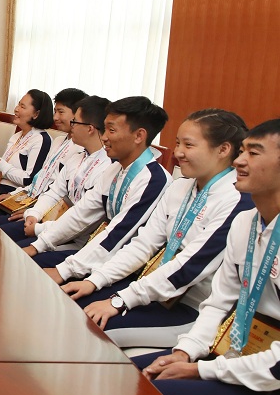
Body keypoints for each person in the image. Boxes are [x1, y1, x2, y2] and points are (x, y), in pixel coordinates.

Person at [138, 118, 280, 395]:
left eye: (254, 153)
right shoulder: (246, 222)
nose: (239, 161)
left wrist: (201, 370)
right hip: (239, 352)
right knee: (131, 373)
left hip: (273, 377)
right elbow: (219, 303)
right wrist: (185, 352)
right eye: (242, 151)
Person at [65, 110, 252, 348]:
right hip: (156, 290)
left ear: (223, 149)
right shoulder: (179, 188)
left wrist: (120, 301)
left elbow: (188, 267)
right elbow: (144, 243)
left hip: (194, 308)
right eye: (178, 143)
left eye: (188, 145)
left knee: (94, 330)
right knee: (73, 302)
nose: (179, 152)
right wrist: (96, 280)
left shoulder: (237, 201)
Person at [25, 96, 171, 274]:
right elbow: (81, 213)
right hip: (97, 253)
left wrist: (64, 271)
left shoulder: (153, 179)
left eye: (111, 130)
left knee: (32, 268)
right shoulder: (115, 169)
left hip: (120, 266)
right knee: (25, 255)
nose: (104, 137)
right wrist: (39, 245)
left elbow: (118, 233)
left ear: (139, 136)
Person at [1, 95, 111, 243]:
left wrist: (39, 228)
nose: (72, 126)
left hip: (73, 238)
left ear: (90, 128)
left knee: (6, 243)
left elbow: (81, 219)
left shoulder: (107, 167)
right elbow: (54, 191)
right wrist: (34, 214)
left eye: (75, 122)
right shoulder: (78, 158)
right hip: (50, 221)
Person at [0, 88, 86, 223]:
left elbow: (56, 193)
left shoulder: (79, 150)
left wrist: (34, 211)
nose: (55, 117)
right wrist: (12, 195)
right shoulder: (59, 141)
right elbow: (39, 180)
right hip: (28, 198)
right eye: (55, 111)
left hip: (43, 211)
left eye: (60, 112)